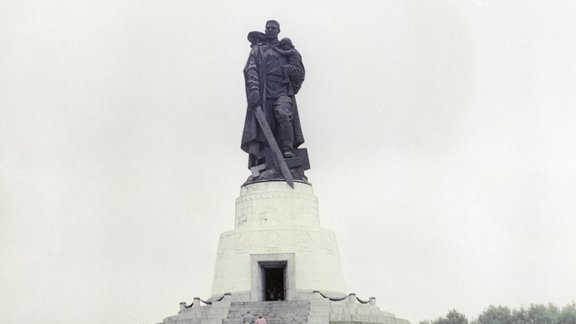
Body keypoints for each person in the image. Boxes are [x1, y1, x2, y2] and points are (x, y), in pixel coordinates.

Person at [241, 20, 306, 178]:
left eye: (273, 28)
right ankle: (267, 163)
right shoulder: (259, 50)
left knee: (283, 114)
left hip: (282, 91)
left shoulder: (286, 49)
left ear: (278, 30)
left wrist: (291, 72)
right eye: (268, 28)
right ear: (265, 30)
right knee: (265, 130)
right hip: (264, 95)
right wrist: (254, 89)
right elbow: (251, 69)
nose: (270, 30)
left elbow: (300, 72)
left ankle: (287, 149)